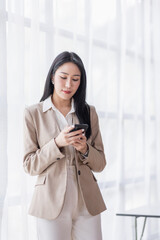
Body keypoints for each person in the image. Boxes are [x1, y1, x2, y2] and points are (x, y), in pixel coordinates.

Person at [23, 51, 107, 240]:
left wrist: (85, 149)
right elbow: (29, 165)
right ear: (52, 77)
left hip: (87, 202)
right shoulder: (33, 113)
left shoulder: (88, 112)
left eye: (75, 79)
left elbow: (100, 163)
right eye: (63, 77)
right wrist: (57, 144)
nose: (69, 84)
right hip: (50, 201)